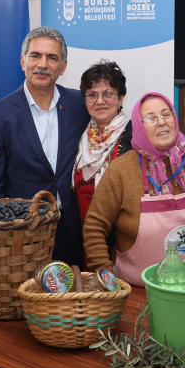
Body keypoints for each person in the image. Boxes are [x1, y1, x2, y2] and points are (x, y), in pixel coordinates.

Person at [0, 27, 90, 267]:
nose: (43, 64)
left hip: (72, 230)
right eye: (35, 55)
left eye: (52, 58)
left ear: (63, 66)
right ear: (22, 61)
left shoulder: (81, 104)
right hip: (23, 235)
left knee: (71, 301)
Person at [83, 92, 185, 286]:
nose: (161, 122)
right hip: (134, 290)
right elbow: (94, 227)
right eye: (150, 118)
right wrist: (108, 281)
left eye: (166, 114)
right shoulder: (120, 170)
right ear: (139, 127)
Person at [73, 60, 133, 264]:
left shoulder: (134, 139)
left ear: (121, 97)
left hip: (120, 242)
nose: (100, 101)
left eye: (108, 93)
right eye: (92, 94)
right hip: (81, 237)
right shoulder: (77, 136)